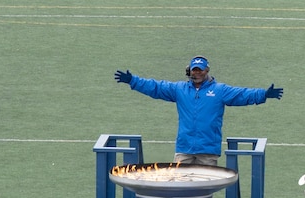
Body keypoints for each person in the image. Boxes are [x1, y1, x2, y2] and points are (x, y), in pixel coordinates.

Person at [113, 55, 282, 165]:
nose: (198, 73)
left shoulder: (219, 90)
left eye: (201, 70)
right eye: (195, 70)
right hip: (184, 149)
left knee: (204, 191)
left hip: (208, 151)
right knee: (179, 186)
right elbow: (156, 87)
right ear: (190, 71)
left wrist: (263, 94)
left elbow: (243, 94)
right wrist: (133, 81)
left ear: (207, 71)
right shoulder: (179, 89)